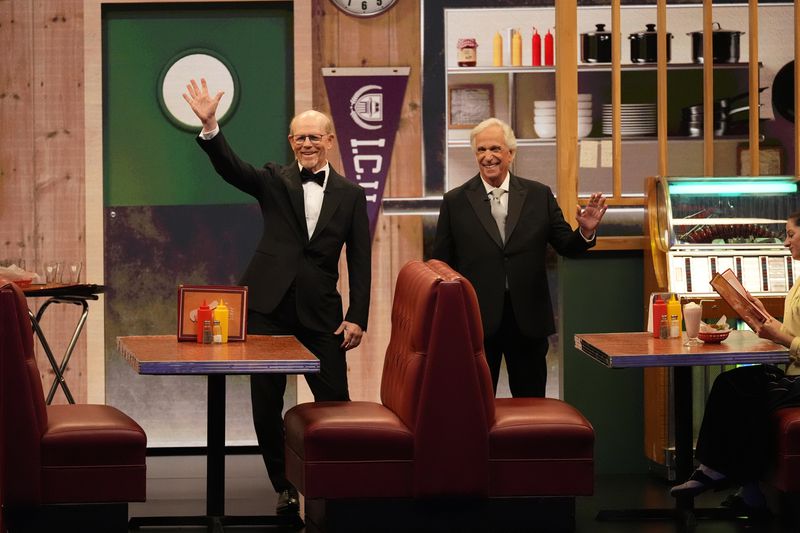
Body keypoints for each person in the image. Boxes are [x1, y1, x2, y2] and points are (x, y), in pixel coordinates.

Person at [183, 78, 371, 515]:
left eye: (314, 136)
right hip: (266, 309)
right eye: (299, 137)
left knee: (334, 404)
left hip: (324, 313)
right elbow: (232, 167)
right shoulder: (273, 179)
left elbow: (360, 261)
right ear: (291, 141)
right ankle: (283, 485)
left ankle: (334, 487)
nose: (307, 143)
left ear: (329, 140)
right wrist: (211, 127)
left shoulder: (351, 194)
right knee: (266, 404)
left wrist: (358, 315)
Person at [432, 117, 607, 397]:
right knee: (474, 405)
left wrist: (585, 232)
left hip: (528, 320)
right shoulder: (455, 201)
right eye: (481, 150)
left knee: (532, 405)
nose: (488, 157)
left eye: (495, 149)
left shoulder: (538, 195)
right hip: (476, 321)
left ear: (510, 154)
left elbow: (566, 244)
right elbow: (439, 264)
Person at [670, 211, 800, 513]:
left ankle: (718, 473)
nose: (785, 242)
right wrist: (763, 316)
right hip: (794, 373)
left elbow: (791, 339)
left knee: (750, 396)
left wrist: (781, 339)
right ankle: (741, 485)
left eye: (791, 235)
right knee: (732, 381)